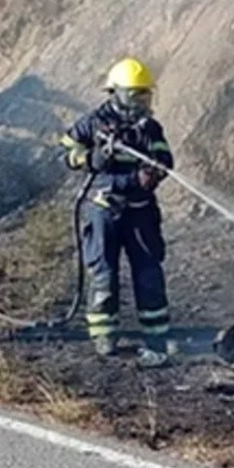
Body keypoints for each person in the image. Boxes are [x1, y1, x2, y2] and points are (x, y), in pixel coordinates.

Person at [59, 57, 174, 362]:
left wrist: (156, 170)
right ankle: (104, 336)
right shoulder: (94, 122)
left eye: (145, 95)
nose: (142, 102)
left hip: (140, 211)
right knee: (103, 276)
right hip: (104, 211)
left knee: (150, 275)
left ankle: (157, 338)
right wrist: (90, 159)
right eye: (135, 95)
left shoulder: (149, 127)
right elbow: (66, 151)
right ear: (117, 93)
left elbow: (165, 157)